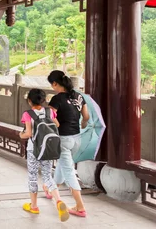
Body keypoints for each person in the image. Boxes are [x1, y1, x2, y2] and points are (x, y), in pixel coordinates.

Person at [19, 89, 69, 221]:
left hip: (33, 150)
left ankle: (34, 206)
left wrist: (20, 134)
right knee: (47, 176)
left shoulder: (27, 114)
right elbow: (57, 125)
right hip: (47, 149)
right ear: (43, 100)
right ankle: (58, 201)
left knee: (33, 177)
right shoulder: (49, 111)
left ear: (29, 101)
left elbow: (28, 134)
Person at [48, 70, 90, 218]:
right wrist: (84, 123)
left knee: (69, 171)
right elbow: (86, 116)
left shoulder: (56, 99)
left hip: (63, 139)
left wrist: (58, 124)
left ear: (55, 83)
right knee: (63, 164)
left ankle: (80, 207)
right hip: (76, 139)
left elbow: (50, 115)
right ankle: (51, 188)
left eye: (52, 84)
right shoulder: (78, 96)